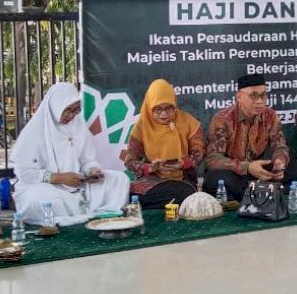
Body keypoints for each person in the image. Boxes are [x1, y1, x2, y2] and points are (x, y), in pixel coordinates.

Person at [10, 82, 129, 226]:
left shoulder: (78, 126)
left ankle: (97, 210)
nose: (70, 115)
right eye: (67, 110)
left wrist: (92, 170)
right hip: (44, 186)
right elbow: (25, 173)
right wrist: (60, 178)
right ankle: (81, 212)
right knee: (42, 200)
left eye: (75, 111)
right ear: (55, 106)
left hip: (77, 184)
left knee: (119, 179)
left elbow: (87, 159)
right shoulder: (33, 133)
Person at [204, 74, 297, 201]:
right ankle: (266, 190)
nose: (259, 101)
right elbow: (212, 159)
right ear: (239, 97)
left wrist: (279, 162)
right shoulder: (222, 119)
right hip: (236, 173)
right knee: (216, 179)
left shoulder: (270, 116)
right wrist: (247, 167)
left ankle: (258, 190)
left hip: (258, 172)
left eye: (263, 95)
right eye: (253, 95)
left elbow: (280, 146)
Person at [123, 79, 205, 208]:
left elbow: (199, 152)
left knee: (185, 193)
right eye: (158, 109)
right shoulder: (141, 127)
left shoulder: (188, 122)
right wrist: (150, 168)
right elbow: (130, 161)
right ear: (149, 107)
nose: (164, 114)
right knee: (127, 194)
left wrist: (183, 163)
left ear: (175, 105)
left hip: (181, 180)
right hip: (152, 181)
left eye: (168, 108)